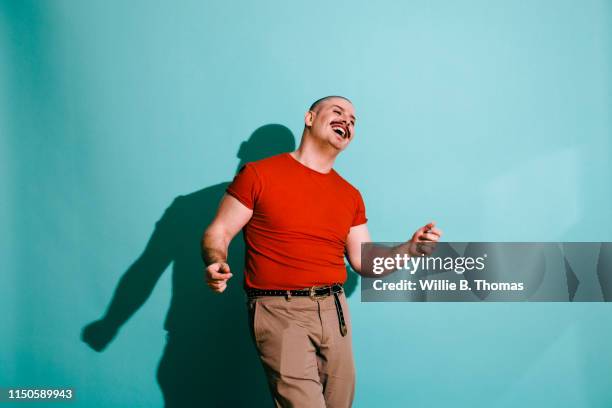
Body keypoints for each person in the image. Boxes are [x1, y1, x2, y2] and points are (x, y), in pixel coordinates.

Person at [201, 96, 442, 408]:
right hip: (279, 311)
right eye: (338, 112)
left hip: (334, 311)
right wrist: (215, 260)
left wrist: (410, 249)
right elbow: (218, 231)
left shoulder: (350, 194)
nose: (347, 121)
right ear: (310, 118)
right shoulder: (258, 174)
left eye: (353, 121)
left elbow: (363, 261)